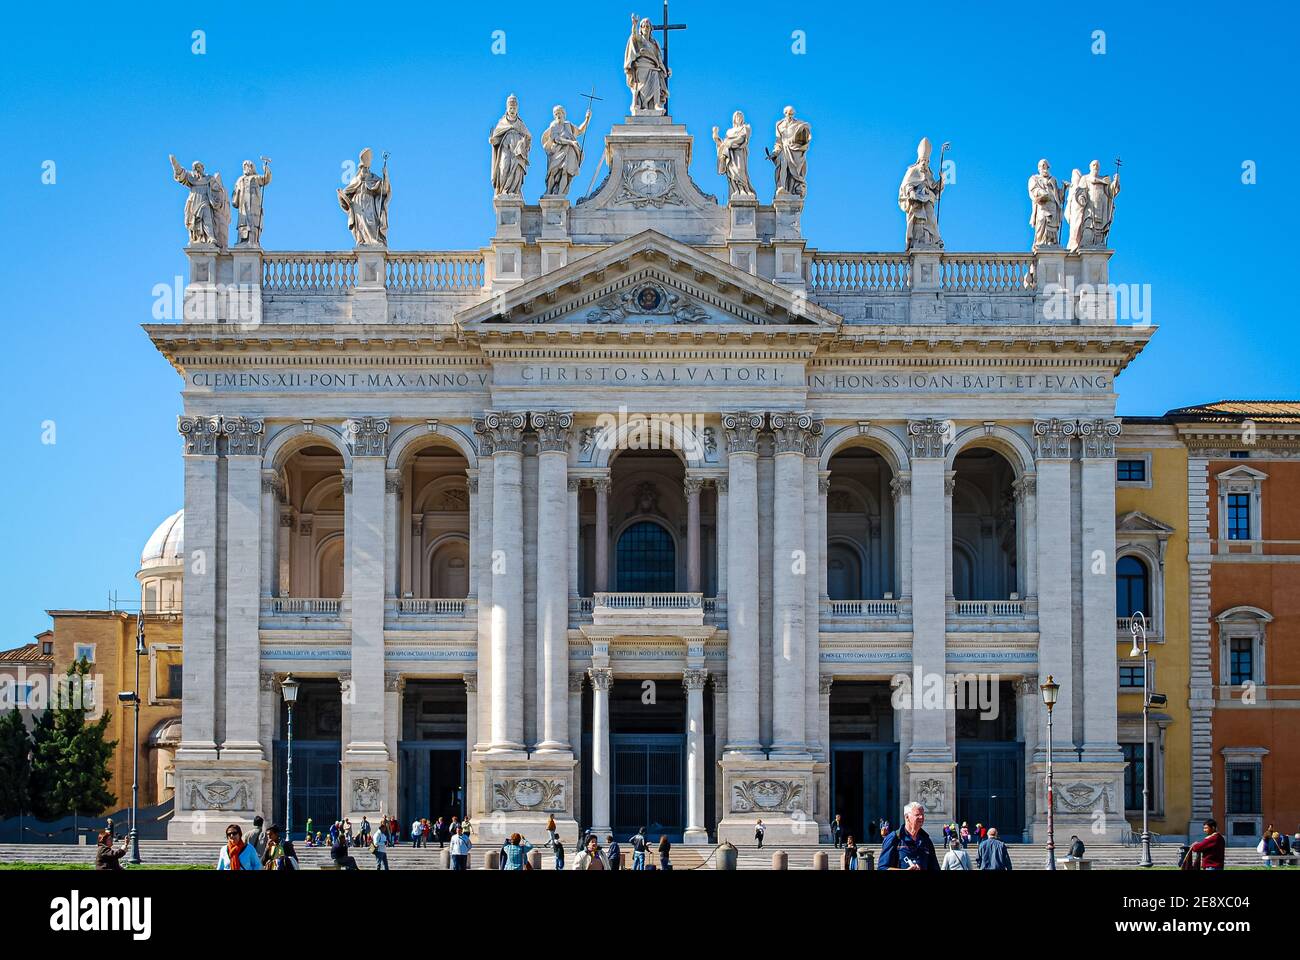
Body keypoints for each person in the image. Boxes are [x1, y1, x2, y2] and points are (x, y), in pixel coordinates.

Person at [878, 802, 940, 871]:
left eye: (922, 814)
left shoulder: (926, 840)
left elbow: (935, 867)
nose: (921, 817)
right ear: (907, 817)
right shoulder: (894, 838)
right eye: (917, 815)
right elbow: (882, 868)